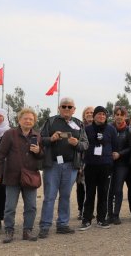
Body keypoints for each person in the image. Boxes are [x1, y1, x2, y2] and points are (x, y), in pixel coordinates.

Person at [38, 97, 88, 239]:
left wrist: (77, 143)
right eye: (64, 106)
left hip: (71, 166)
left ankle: (62, 224)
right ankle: (45, 226)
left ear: (74, 109)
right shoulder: (51, 121)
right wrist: (50, 139)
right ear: (59, 108)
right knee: (49, 197)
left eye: (69, 107)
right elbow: (40, 139)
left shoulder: (79, 123)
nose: (67, 109)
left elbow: (85, 144)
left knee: (65, 196)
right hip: (52, 165)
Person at [0, 108, 43, 243]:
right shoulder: (10, 134)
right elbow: (0, 156)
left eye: (31, 119)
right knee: (9, 207)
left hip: (30, 177)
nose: (28, 121)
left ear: (34, 122)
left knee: (31, 206)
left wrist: (38, 151)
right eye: (25, 118)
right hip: (12, 176)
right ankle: (9, 231)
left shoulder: (37, 136)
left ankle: (28, 231)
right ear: (19, 120)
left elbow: (41, 157)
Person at [80, 106, 118, 231]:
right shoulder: (87, 129)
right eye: (98, 114)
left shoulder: (111, 129)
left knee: (103, 193)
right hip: (90, 165)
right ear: (94, 116)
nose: (101, 116)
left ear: (106, 117)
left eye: (103, 114)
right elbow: (83, 146)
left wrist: (113, 157)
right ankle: (86, 219)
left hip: (106, 165)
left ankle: (101, 219)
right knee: (89, 193)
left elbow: (115, 146)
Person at [107, 106, 131, 225]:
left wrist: (120, 154)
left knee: (118, 189)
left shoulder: (128, 131)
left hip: (122, 164)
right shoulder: (108, 128)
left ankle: (116, 214)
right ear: (114, 116)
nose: (119, 116)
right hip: (108, 163)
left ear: (125, 116)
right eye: (117, 114)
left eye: (121, 114)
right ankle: (108, 214)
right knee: (109, 190)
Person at [75, 106, 93, 220]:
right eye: (88, 112)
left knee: (91, 188)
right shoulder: (78, 127)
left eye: (92, 112)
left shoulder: (99, 127)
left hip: (94, 161)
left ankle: (89, 210)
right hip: (81, 160)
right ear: (84, 114)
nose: (90, 114)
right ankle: (81, 210)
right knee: (80, 187)